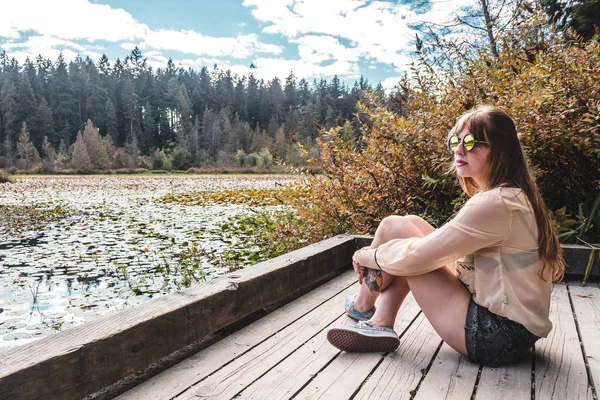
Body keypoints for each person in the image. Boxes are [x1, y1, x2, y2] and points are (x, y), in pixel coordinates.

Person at [326, 105, 564, 367]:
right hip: (513, 331)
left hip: (494, 336)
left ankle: (368, 312)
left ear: (500, 150)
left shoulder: (497, 203)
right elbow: (430, 249)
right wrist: (378, 258)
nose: (459, 150)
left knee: (411, 255)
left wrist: (364, 255)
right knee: (398, 225)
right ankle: (370, 313)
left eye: (471, 142)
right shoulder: (512, 196)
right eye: (455, 142)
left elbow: (419, 257)